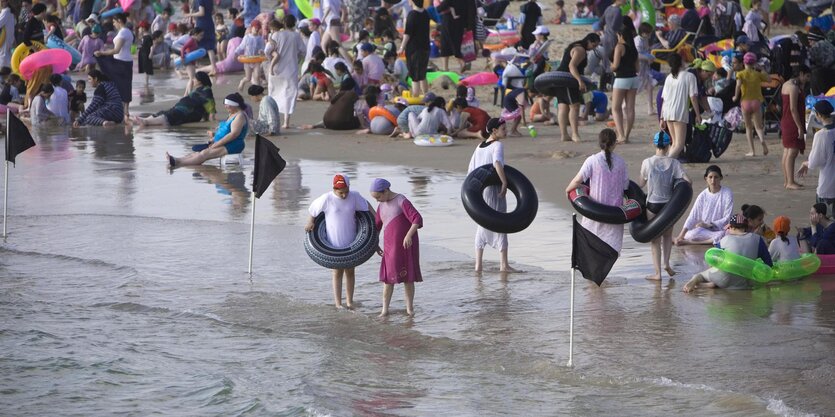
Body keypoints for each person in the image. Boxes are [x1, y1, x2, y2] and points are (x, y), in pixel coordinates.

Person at [305, 174, 375, 309]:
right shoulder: (327, 198)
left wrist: (376, 218)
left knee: (350, 270)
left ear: (349, 187)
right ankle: (338, 303)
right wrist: (310, 221)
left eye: (345, 192)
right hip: (333, 241)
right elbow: (313, 210)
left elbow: (367, 206)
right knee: (337, 271)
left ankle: (349, 301)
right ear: (334, 189)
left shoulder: (354, 196)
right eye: (340, 192)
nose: (343, 195)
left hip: (352, 239)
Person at [565, 128, 630, 260]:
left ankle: (593, 279)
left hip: (594, 211)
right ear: (614, 143)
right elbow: (626, 186)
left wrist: (568, 191)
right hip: (613, 214)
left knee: (591, 246)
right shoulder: (621, 162)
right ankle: (602, 279)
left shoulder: (592, 160)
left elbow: (578, 180)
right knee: (609, 249)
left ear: (600, 143)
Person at [639, 131, 691, 280]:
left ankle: (657, 274)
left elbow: (641, 184)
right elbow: (688, 181)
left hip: (653, 205)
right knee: (667, 236)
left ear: (655, 144)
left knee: (655, 240)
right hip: (669, 206)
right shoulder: (674, 163)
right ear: (669, 145)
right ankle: (667, 264)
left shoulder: (647, 162)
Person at [369, 178, 423, 317]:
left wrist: (408, 235)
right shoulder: (381, 206)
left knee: (408, 278)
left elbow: (416, 219)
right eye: (375, 198)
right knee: (388, 279)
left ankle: (409, 309)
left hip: (406, 246)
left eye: (378, 197)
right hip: (390, 247)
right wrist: (375, 245)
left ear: (386, 191)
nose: (377, 200)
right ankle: (385, 309)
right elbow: (377, 227)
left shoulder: (401, 200)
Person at [683, 212, 773, 292]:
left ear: (732, 227)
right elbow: (769, 264)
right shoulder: (758, 239)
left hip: (724, 280)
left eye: (729, 228)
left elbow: (712, 262)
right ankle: (713, 284)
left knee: (701, 275)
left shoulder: (724, 240)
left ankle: (694, 282)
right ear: (745, 227)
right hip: (746, 283)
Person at [469, 118, 512, 272]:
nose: (506, 131)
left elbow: (471, 169)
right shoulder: (497, 145)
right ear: (494, 131)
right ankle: (504, 265)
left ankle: (478, 265)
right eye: (503, 129)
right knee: (500, 222)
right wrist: (504, 182)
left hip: (481, 191)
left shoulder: (479, 146)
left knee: (483, 223)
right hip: (494, 189)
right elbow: (497, 163)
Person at [166, 93, 249, 167]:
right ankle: (177, 160)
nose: (225, 106)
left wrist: (217, 144)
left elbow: (233, 134)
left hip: (233, 145)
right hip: (223, 142)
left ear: (235, 105)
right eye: (225, 104)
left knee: (205, 154)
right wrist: (214, 138)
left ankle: (177, 164)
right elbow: (226, 130)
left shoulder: (239, 116)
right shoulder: (232, 113)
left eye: (227, 104)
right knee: (198, 153)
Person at [556, 33, 601, 142]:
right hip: (568, 79)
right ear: (589, 41)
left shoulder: (575, 46)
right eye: (594, 45)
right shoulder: (580, 50)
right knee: (574, 106)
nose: (593, 48)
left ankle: (564, 135)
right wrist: (580, 81)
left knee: (563, 106)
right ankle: (575, 134)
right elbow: (572, 66)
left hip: (560, 78)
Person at [675, 165, 734, 245]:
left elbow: (727, 218)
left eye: (716, 177)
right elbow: (693, 216)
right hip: (704, 231)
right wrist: (681, 235)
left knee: (723, 236)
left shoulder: (727, 193)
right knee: (690, 234)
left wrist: (708, 225)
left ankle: (689, 242)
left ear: (721, 178)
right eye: (710, 177)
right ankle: (681, 240)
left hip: (719, 230)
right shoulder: (703, 195)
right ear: (706, 178)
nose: (713, 180)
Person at [134, 71, 216, 126]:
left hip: (187, 112)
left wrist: (212, 122)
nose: (193, 80)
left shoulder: (206, 92)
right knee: (162, 112)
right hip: (181, 108)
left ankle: (146, 122)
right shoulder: (199, 90)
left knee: (170, 116)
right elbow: (187, 97)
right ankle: (145, 120)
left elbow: (211, 109)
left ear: (200, 81)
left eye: (195, 79)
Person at [267, 15, 306, 129]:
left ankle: (273, 120)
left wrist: (271, 59)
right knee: (289, 94)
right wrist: (296, 58)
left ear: (283, 23)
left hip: (276, 69)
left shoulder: (276, 35)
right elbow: (303, 51)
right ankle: (286, 122)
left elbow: (267, 50)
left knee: (273, 93)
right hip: (291, 69)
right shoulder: (296, 36)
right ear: (294, 23)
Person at [94, 13, 133, 122]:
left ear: (119, 21)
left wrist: (102, 53)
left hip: (121, 62)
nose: (114, 24)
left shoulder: (123, 32)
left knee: (119, 83)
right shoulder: (127, 31)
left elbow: (116, 50)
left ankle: (123, 110)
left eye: (115, 22)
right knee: (125, 84)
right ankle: (125, 110)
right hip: (126, 61)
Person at [660, 54, 701, 159]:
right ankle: (664, 162)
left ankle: (666, 164)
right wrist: (698, 114)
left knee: (674, 143)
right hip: (679, 112)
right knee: (679, 144)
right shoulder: (689, 76)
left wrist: (661, 117)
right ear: (681, 62)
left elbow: (664, 99)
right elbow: (693, 97)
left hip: (667, 112)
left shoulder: (669, 77)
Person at [798, 100, 835, 213]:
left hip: (828, 184)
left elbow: (814, 162)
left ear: (818, 115)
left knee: (824, 220)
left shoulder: (821, 135)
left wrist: (805, 163)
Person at [733, 52, 769, 157]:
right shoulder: (757, 74)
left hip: (745, 102)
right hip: (757, 102)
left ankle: (752, 151)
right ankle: (762, 141)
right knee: (758, 126)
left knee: (748, 127)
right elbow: (769, 79)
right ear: (754, 63)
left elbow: (738, 85)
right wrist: (761, 69)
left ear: (744, 62)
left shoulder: (740, 74)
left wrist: (735, 96)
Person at [780, 65, 810, 189]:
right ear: (801, 74)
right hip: (792, 122)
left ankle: (787, 181)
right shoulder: (793, 87)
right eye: (807, 76)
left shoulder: (787, 84)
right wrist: (800, 127)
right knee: (792, 151)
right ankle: (790, 182)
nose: (807, 79)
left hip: (786, 120)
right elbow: (793, 108)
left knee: (787, 151)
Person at [610, 22, 639, 143]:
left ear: (620, 35)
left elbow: (615, 66)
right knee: (630, 108)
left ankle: (621, 135)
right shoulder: (633, 47)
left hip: (622, 79)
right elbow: (638, 68)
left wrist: (610, 66)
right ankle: (626, 135)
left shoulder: (619, 47)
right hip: (634, 79)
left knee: (616, 108)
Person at [400, 0, 430, 96]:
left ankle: (415, 97)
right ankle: (426, 95)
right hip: (425, 47)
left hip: (414, 49)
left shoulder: (412, 14)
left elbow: (407, 34)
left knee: (414, 76)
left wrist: (401, 48)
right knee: (422, 74)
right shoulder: (425, 13)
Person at [185, 0, 218, 74]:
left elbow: (201, 12)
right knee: (210, 47)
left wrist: (190, 14)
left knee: (196, 44)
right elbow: (214, 11)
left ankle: (195, 65)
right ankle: (214, 68)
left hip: (201, 24)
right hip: (209, 23)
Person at [236, 21, 266, 92]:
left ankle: (258, 91)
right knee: (248, 78)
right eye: (255, 28)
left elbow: (263, 48)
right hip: (247, 60)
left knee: (257, 76)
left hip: (256, 60)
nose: (256, 29)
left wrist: (262, 51)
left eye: (258, 28)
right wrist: (236, 53)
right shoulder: (247, 37)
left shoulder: (260, 38)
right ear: (251, 28)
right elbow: (241, 47)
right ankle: (242, 82)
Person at [0, 0, 15, 68]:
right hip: (7, 37)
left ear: (7, 2)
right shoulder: (5, 11)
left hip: (5, 37)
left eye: (3, 1)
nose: (1, 3)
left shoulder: (6, 11)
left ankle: (3, 74)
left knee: (4, 55)